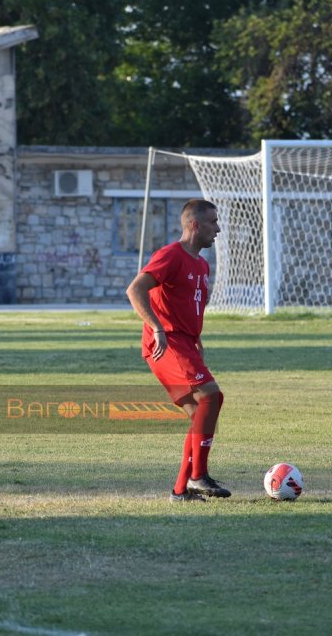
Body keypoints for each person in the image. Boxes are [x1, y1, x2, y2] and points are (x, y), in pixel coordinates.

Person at [126, 199, 230, 502]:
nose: (218, 228)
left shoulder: (201, 263)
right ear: (195, 225)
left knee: (200, 413)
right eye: (213, 222)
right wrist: (157, 328)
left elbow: (192, 304)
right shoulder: (170, 255)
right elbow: (135, 290)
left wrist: (198, 338)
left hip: (186, 343)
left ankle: (180, 491)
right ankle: (199, 476)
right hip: (167, 343)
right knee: (212, 396)